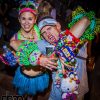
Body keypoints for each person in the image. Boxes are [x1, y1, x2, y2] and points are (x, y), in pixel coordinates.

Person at [37, 14, 95, 100]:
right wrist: (38, 59)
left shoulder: (76, 36)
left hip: (76, 94)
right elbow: (20, 45)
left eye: (49, 28)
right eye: (44, 33)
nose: (47, 34)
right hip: (56, 94)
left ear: (58, 26)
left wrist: (63, 45)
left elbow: (86, 20)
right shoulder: (45, 44)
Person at [10, 1, 57, 99]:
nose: (26, 22)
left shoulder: (42, 33)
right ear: (19, 19)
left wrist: (49, 55)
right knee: (23, 96)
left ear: (35, 19)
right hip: (24, 76)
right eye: (23, 18)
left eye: (30, 19)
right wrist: (14, 59)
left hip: (39, 77)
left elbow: (50, 53)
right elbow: (16, 59)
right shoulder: (15, 39)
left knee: (33, 97)